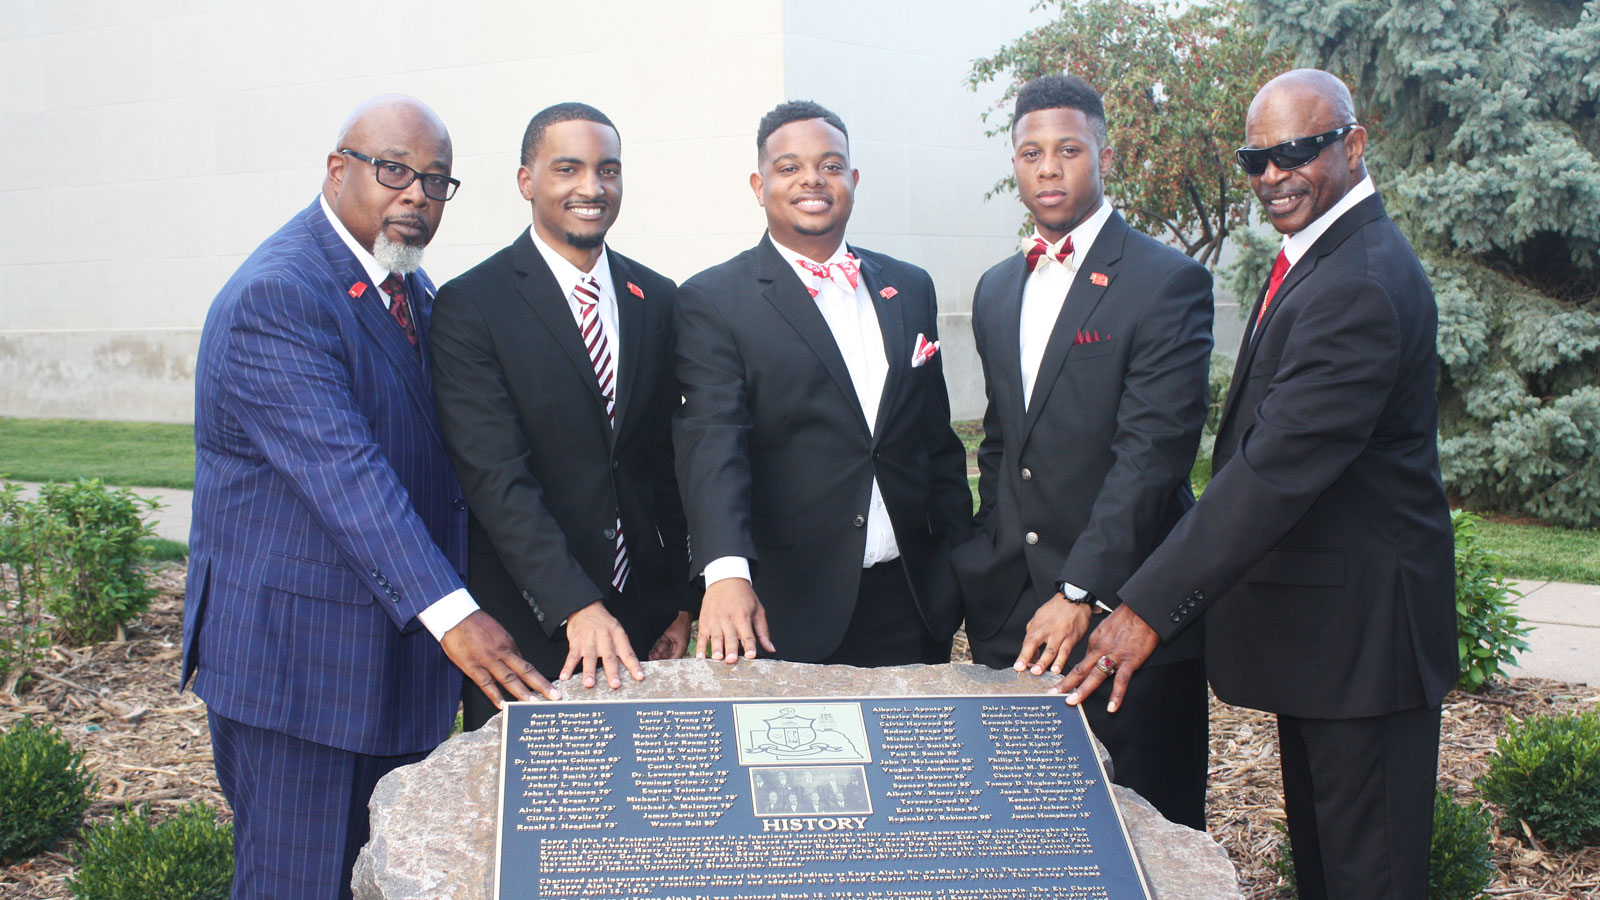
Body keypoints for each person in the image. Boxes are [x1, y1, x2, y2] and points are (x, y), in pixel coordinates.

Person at [1058, 69, 1455, 900]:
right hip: (1331, 649)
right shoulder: (1324, 259)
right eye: (1255, 157)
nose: (1272, 176)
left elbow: (1271, 472)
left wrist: (1142, 609)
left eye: (1296, 152)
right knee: (1328, 874)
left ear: (1351, 144)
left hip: (1367, 650)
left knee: (1365, 881)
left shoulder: (1359, 282)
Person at [184, 95, 558, 900]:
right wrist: (458, 617)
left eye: (436, 181)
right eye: (395, 171)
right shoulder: (277, 298)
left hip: (395, 672)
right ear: (337, 168)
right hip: (300, 679)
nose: (416, 196)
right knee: (301, 886)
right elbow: (347, 476)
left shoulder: (411, 294)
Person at [952, 75, 1213, 829]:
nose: (1049, 168)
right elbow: (1003, 443)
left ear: (1104, 152)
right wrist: (989, 562)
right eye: (1031, 153)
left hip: (1123, 618)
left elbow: (1153, 457)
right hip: (1016, 620)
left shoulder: (1168, 282)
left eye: (1069, 149)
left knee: (1143, 835)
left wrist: (1080, 592)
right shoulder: (999, 289)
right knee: (1034, 836)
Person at [673, 100, 973, 666]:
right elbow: (712, 445)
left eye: (831, 165)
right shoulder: (713, 300)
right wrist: (725, 573)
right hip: (785, 606)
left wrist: (959, 563)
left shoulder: (910, 287)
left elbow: (936, 441)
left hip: (912, 598)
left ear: (853, 181)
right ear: (760, 186)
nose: (812, 178)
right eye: (789, 168)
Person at [429, 102, 695, 729]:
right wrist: (576, 605)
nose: (591, 188)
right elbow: (496, 479)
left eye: (608, 170)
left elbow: (670, 463)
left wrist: (682, 605)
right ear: (527, 181)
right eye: (568, 169)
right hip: (533, 627)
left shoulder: (656, 298)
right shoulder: (471, 305)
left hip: (650, 621)